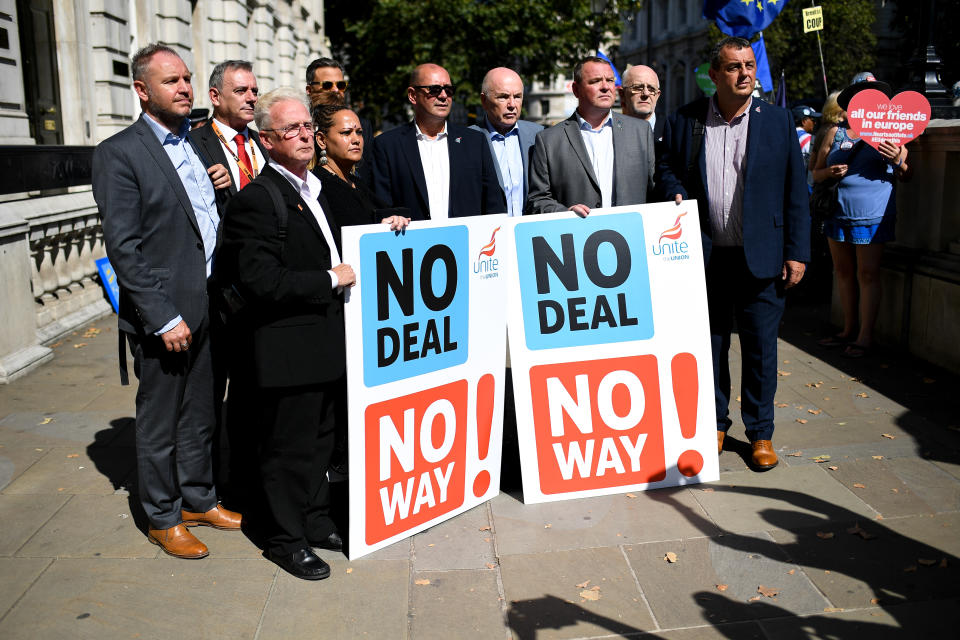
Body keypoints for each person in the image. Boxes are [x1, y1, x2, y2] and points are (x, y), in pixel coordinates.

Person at [220, 88, 405, 580]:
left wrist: (385, 227)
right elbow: (261, 281)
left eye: (307, 127)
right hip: (286, 352)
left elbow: (344, 244)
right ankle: (285, 540)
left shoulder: (314, 190)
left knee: (322, 443)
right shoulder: (256, 201)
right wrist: (329, 279)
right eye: (291, 130)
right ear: (266, 140)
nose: (304, 136)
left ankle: (317, 521)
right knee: (289, 449)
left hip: (326, 346)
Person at [92, 43, 241, 559]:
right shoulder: (119, 153)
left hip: (209, 305)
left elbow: (196, 225)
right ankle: (162, 516)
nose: (184, 88)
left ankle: (199, 498)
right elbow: (125, 249)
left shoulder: (196, 144)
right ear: (142, 90)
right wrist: (162, 316)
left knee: (201, 414)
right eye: (171, 81)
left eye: (187, 79)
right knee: (160, 422)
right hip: (167, 316)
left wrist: (219, 186)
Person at [656, 36, 810, 471]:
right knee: (712, 345)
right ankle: (715, 423)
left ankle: (760, 434)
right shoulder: (686, 120)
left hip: (762, 256)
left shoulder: (778, 121)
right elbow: (666, 167)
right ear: (714, 74)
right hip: (706, 258)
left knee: (761, 349)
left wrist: (797, 252)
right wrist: (676, 190)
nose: (745, 73)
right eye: (734, 67)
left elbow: (795, 191)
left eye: (748, 65)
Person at [810, 75, 912, 358]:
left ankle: (865, 336)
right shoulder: (836, 132)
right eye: (861, 95)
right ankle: (847, 329)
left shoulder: (892, 133)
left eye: (874, 95)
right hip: (837, 212)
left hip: (873, 215)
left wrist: (898, 160)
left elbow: (908, 175)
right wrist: (828, 173)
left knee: (867, 274)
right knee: (842, 273)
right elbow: (816, 173)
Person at [371, 63, 505, 220]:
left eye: (449, 90)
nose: (443, 96)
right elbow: (382, 208)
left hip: (468, 241)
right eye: (434, 90)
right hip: (413, 242)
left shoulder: (475, 142)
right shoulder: (387, 146)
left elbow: (493, 205)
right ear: (413, 95)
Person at [526, 56, 655, 217]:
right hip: (579, 236)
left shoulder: (641, 132)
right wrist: (565, 212)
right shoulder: (549, 140)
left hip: (631, 236)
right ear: (576, 89)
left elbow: (656, 189)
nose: (605, 87)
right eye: (595, 81)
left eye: (610, 80)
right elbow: (537, 200)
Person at [190, 60, 267, 210]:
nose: (252, 98)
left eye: (255, 91)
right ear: (215, 96)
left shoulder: (265, 142)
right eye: (240, 91)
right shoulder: (192, 143)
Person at [468, 67, 543, 216]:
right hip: (490, 234)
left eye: (517, 96)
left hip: (530, 233)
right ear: (484, 100)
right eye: (503, 97)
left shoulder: (539, 135)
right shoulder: (467, 140)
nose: (512, 104)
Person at [305, 57, 374, 183]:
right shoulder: (300, 126)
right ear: (309, 90)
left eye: (341, 85)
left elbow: (368, 176)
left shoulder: (363, 126)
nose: (336, 90)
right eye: (327, 85)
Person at [619, 64, 664, 144]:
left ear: (657, 95)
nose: (646, 94)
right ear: (622, 94)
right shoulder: (609, 132)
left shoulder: (674, 132)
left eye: (651, 89)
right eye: (638, 88)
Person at [792, 104, 820, 191]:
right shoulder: (810, 140)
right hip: (805, 187)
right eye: (813, 120)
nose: (815, 123)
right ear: (804, 121)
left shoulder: (784, 136)